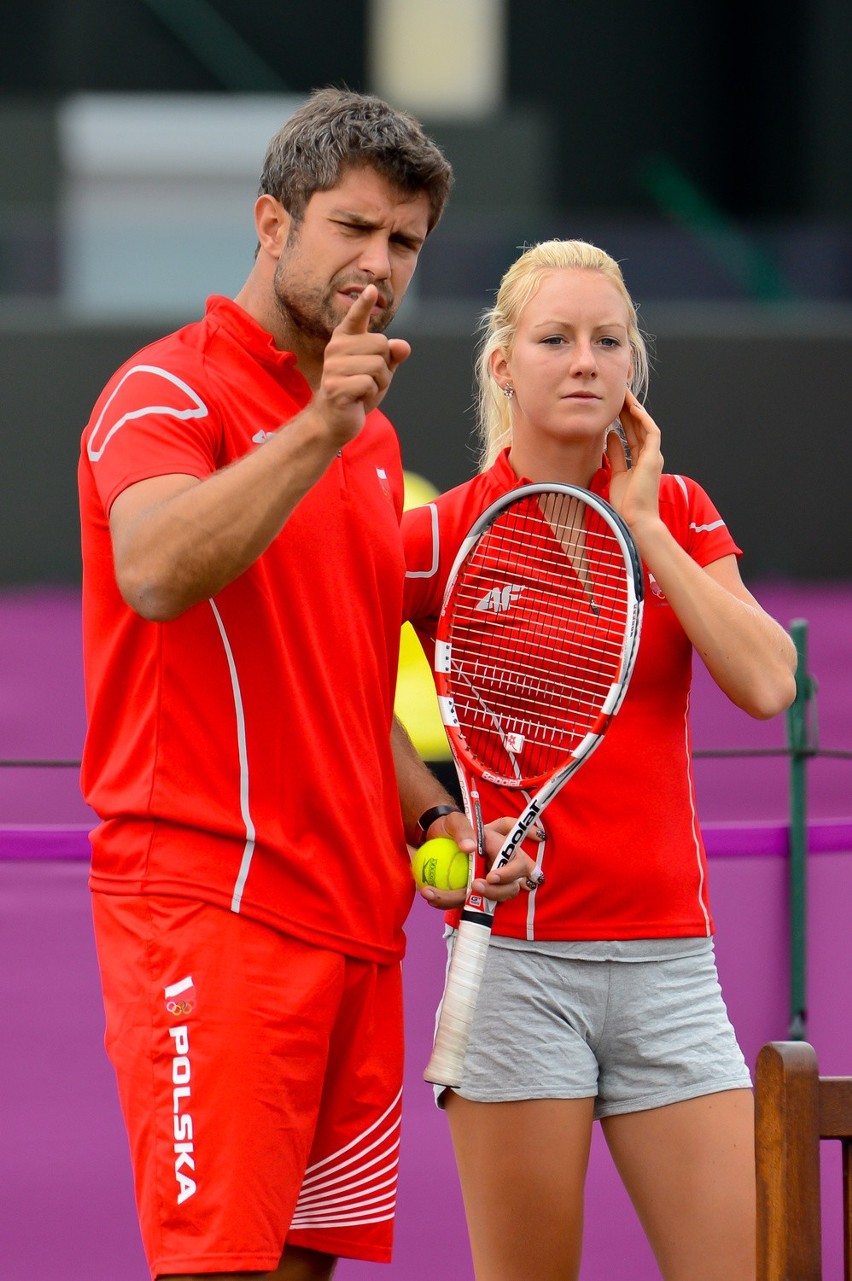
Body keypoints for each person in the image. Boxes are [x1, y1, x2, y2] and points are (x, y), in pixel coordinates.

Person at [77, 88, 533, 1281]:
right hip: (210, 912)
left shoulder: (370, 440)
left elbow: (333, 676)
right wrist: (317, 430)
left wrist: (429, 809)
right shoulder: (165, 393)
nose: (378, 266)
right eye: (353, 228)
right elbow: (158, 572)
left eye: (405, 244)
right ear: (272, 220)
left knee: (301, 1269)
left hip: (356, 929)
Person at [402, 238, 798, 1281]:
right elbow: (327, 694)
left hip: (673, 970)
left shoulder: (678, 508)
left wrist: (643, 529)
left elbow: (768, 683)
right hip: (515, 973)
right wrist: (438, 825)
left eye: (607, 340)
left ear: (634, 367)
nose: (584, 361)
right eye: (555, 339)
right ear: (503, 364)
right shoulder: (440, 534)